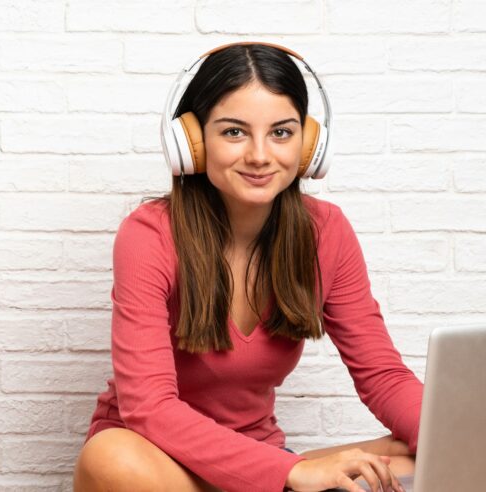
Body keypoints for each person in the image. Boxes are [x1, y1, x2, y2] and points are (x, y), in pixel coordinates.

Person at [73, 42, 422, 492]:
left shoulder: (327, 231)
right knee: (112, 458)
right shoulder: (148, 235)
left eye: (281, 133)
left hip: (261, 463)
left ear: (309, 143)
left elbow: (383, 375)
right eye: (234, 132)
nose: (260, 155)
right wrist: (291, 472)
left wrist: (458, 433)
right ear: (192, 143)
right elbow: (149, 408)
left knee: (416, 450)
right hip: (158, 465)